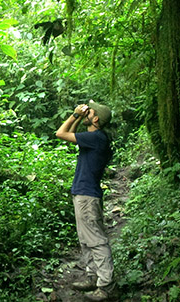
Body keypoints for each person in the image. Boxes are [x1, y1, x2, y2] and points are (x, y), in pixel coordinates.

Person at [55, 101, 114, 301]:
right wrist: (79, 117)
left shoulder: (96, 138)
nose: (87, 111)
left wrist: (74, 115)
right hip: (84, 193)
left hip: (87, 196)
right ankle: (92, 276)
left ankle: (106, 286)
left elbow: (60, 133)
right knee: (85, 239)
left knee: (95, 240)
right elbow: (69, 136)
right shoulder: (94, 138)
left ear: (95, 119)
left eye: (91, 111)